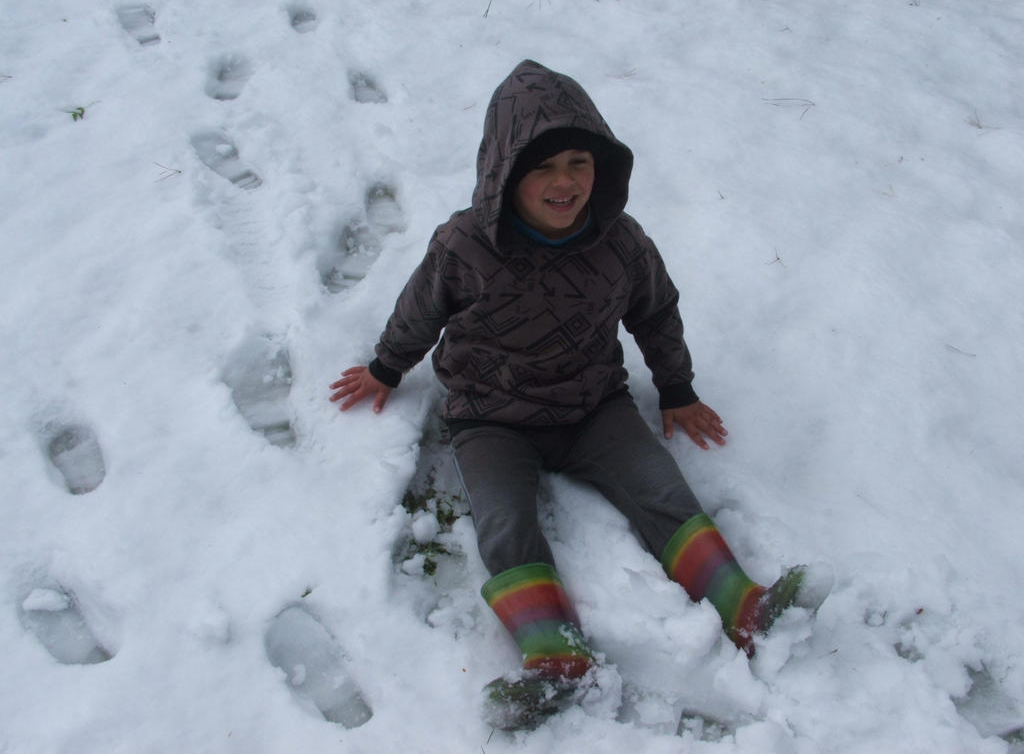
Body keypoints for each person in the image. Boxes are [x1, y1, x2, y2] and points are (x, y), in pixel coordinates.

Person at [329, 59, 827, 729]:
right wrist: (387, 367)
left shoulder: (620, 244)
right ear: (505, 172)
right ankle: (557, 655)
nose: (565, 182)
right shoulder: (466, 246)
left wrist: (675, 387)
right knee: (505, 524)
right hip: (491, 418)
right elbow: (421, 307)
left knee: (663, 490)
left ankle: (741, 605)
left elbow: (656, 310)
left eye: (578, 162)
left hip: (594, 406)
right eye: (542, 168)